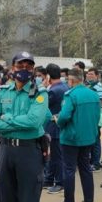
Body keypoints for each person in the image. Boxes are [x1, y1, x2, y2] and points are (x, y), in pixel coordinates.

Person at [0, 51, 48, 202]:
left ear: (33, 69)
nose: (24, 69)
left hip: (29, 152)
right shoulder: (3, 92)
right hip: (6, 151)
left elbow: (34, 122)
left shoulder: (40, 93)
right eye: (20, 66)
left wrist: (6, 119)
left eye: (29, 66)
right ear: (13, 68)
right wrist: (19, 124)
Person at [52, 68, 100, 202]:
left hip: (71, 139)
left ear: (71, 80)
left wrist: (57, 121)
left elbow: (65, 116)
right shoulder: (93, 94)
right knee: (85, 169)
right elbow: (97, 115)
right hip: (88, 138)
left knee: (69, 170)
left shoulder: (70, 95)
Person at [43, 63, 69, 194]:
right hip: (60, 126)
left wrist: (43, 89)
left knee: (57, 157)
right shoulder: (65, 86)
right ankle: (49, 179)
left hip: (54, 126)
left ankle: (59, 182)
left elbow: (42, 104)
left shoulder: (52, 90)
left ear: (48, 76)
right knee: (53, 156)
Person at [86, 68, 102, 172]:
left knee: (95, 140)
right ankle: (92, 161)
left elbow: (100, 103)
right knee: (91, 140)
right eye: (88, 74)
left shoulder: (99, 87)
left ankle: (95, 163)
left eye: (91, 74)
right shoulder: (89, 86)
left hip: (96, 117)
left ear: (97, 76)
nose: (89, 76)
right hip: (89, 117)